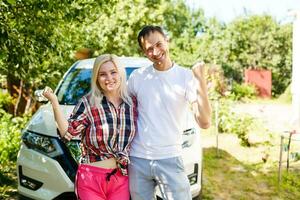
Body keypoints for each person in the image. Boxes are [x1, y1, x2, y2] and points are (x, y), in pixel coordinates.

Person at [127, 25, 212, 200]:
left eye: (159, 44)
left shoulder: (185, 76)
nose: (156, 51)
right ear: (145, 53)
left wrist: (200, 80)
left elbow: (204, 122)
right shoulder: (137, 77)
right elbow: (122, 113)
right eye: (149, 49)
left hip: (170, 158)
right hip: (138, 160)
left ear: (167, 40)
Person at [43, 54, 137, 200]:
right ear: (97, 78)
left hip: (121, 178)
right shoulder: (88, 103)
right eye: (102, 74)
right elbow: (67, 132)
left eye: (113, 72)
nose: (109, 78)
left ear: (120, 73)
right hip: (90, 178)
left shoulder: (132, 104)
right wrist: (55, 102)